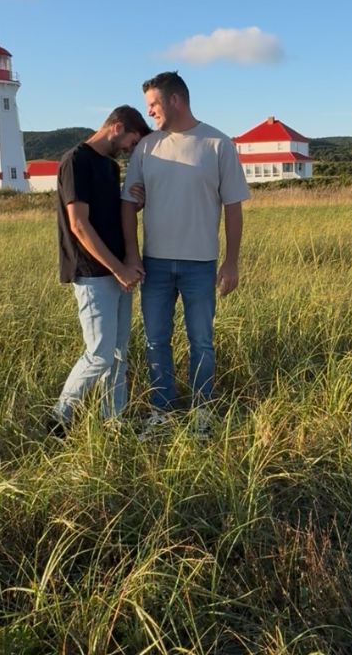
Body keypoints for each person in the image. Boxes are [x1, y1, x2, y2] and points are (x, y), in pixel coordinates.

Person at [121, 71, 249, 438]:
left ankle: (201, 414)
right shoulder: (147, 148)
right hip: (155, 264)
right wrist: (132, 257)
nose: (149, 113)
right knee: (155, 341)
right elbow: (128, 203)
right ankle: (161, 412)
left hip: (201, 265)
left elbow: (234, 208)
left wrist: (231, 262)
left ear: (174, 100)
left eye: (153, 105)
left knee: (201, 343)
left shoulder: (218, 144)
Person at [49, 105, 151, 435]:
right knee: (99, 355)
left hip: (118, 271)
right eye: (132, 142)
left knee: (119, 354)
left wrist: (134, 203)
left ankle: (114, 421)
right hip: (92, 273)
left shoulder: (109, 167)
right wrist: (119, 269)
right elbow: (79, 225)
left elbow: (110, 215)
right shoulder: (75, 161)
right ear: (117, 128)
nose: (130, 150)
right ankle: (59, 418)